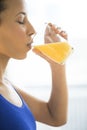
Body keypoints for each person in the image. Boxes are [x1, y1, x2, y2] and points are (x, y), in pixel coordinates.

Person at [0, 0, 68, 129]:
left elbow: (55, 116)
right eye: (21, 20)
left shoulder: (6, 86)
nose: (33, 30)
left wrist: (57, 62)